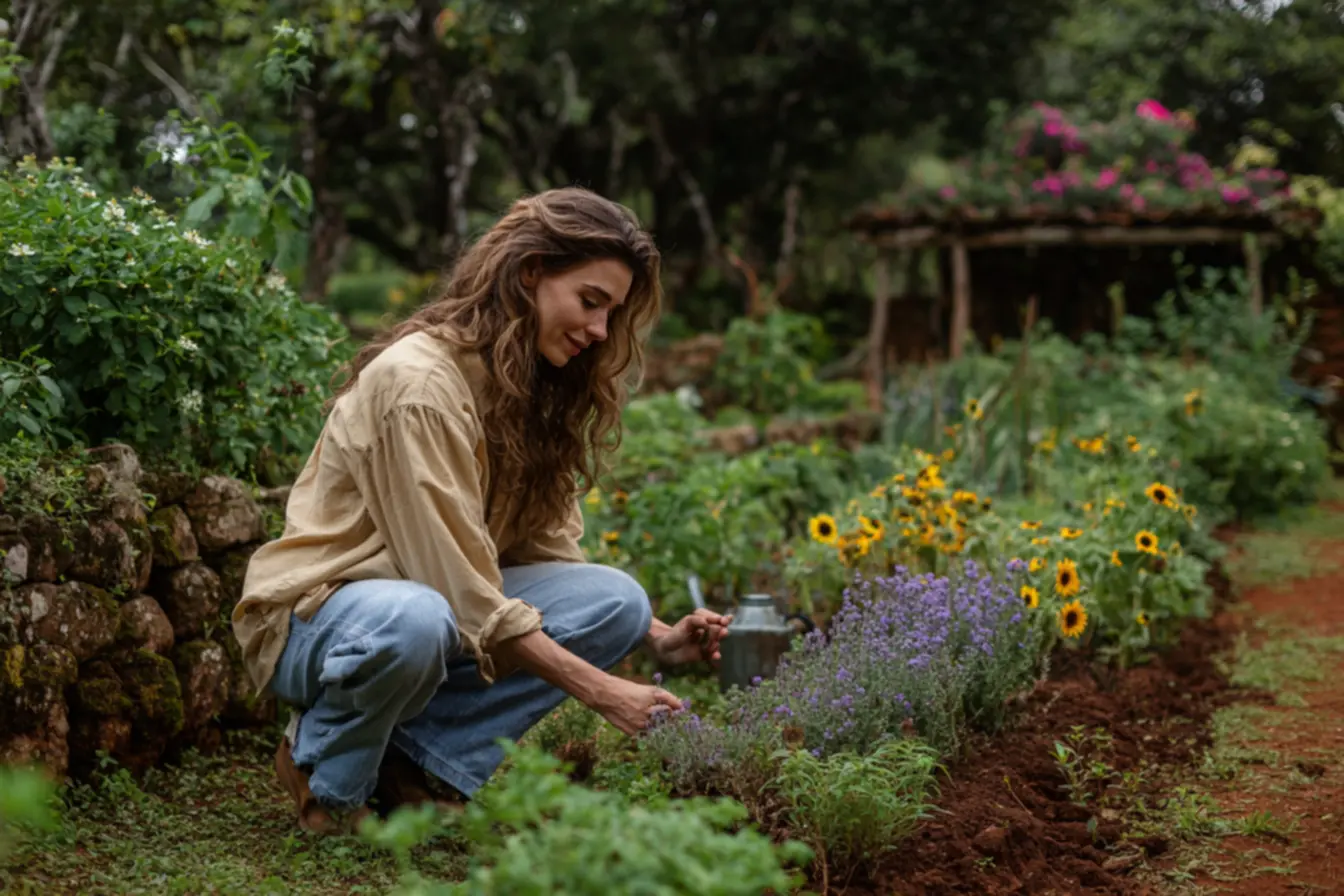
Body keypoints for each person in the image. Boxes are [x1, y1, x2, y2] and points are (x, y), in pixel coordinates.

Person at [232, 187, 732, 834]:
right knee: (418, 621)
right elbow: (461, 591)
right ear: (529, 274)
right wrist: (602, 691)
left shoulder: (530, 388)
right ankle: (325, 775)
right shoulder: (421, 387)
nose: (600, 332)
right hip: (322, 618)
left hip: (431, 615)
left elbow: (549, 562)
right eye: (590, 302)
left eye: (612, 313)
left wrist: (659, 637)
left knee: (617, 603)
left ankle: (410, 764)